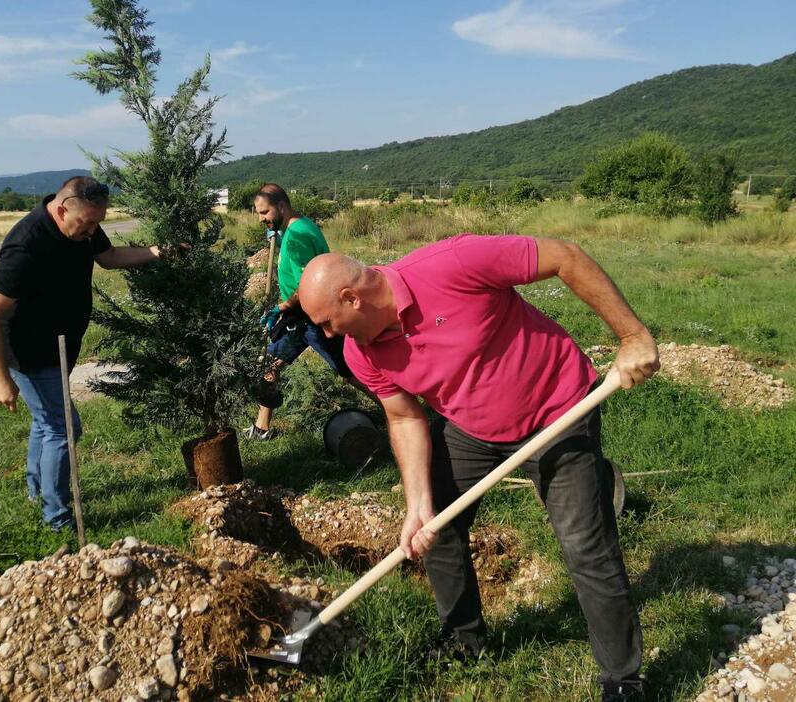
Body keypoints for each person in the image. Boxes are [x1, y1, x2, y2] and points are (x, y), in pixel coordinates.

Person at [298, 235, 659, 702]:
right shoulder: (361, 353)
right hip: (471, 427)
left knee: (585, 546)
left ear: (352, 297)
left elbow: (563, 257)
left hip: (558, 410)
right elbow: (405, 417)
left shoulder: (452, 264)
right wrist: (418, 504)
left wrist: (631, 337)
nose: (327, 336)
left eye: (328, 323)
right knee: (439, 525)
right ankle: (463, 641)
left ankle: (623, 679)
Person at [0, 175, 168, 531]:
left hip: (61, 346)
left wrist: (155, 252)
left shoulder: (85, 226)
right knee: (63, 428)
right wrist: (0, 378)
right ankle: (58, 518)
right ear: (63, 209)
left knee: (46, 421)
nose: (93, 230)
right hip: (28, 352)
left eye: (98, 222)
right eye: (87, 223)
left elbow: (109, 257)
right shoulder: (26, 246)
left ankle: (37, 490)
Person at [243, 183, 364, 441]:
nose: (261, 219)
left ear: (282, 207)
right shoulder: (294, 229)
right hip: (299, 317)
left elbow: (308, 287)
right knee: (271, 363)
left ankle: (396, 412)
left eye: (265, 213)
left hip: (312, 316)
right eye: (259, 213)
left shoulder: (298, 235)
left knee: (350, 370)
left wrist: (282, 306)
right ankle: (261, 428)